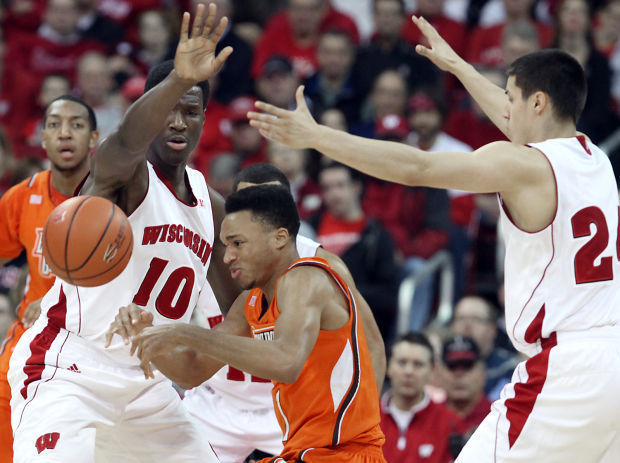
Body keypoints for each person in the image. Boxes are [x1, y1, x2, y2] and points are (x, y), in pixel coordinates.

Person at [247, 14, 620, 462]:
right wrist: (460, 67)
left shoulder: (523, 165)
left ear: (538, 103)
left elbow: (417, 168)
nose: (505, 108)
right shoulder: (594, 157)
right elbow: (516, 120)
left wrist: (319, 137)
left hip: (568, 367)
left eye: (512, 97)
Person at [8, 4, 238, 462]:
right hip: (69, 370)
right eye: (167, 110)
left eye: (189, 111)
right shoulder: (126, 174)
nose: (177, 121)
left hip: (146, 389)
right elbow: (128, 140)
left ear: (204, 120)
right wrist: (176, 80)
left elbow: (235, 310)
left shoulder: (211, 206)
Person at [127, 184, 387, 463]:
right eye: (226, 246)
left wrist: (188, 333)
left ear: (279, 238)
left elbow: (286, 361)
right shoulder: (250, 304)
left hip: (344, 453)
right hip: (302, 453)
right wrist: (145, 336)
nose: (227, 257)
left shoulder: (307, 279)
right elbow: (192, 373)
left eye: (238, 243)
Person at [0, 94, 98, 463]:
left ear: (94, 138)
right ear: (42, 139)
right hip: (35, 334)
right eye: (55, 125)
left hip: (94, 335)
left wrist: (64, 294)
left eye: (76, 124)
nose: (64, 134)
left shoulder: (117, 197)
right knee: (4, 385)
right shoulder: (22, 197)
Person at [310, 162, 399, 341]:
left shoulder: (377, 235)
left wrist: (341, 293)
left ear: (356, 187)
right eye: (327, 188)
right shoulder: (309, 228)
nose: (333, 194)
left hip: (359, 328)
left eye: (340, 185)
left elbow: (388, 296)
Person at [380, 332, 464, 463]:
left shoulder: (451, 425)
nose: (409, 371)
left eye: (418, 364)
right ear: (388, 366)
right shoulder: (367, 421)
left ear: (432, 371)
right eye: (402, 362)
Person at [450, 296, 519, 400]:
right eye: (461, 318)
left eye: (476, 319)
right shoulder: (441, 368)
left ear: (492, 329)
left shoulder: (511, 368)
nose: (467, 325)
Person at [441, 335, 492, 436]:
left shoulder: (500, 416)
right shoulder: (427, 417)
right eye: (452, 367)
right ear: (439, 373)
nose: (459, 375)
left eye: (467, 367)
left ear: (483, 373)